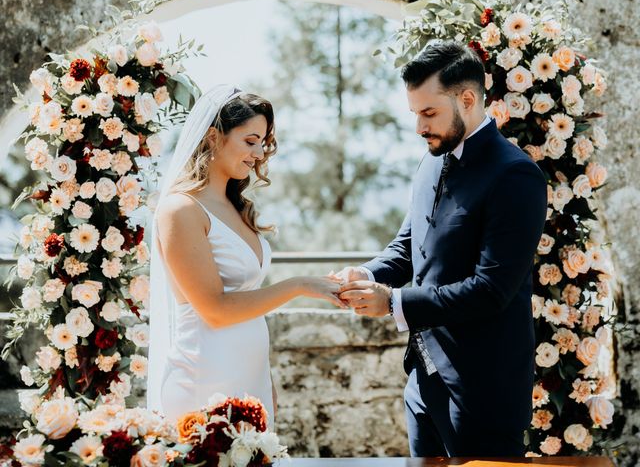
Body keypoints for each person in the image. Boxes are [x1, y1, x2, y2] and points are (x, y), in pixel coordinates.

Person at [336, 42, 547, 456]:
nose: (419, 127)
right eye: (414, 113)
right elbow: (408, 248)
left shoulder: (516, 175)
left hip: (484, 392)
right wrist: (367, 274)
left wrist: (394, 302)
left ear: (467, 99)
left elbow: (491, 289)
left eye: (428, 113)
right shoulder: (431, 161)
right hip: (421, 381)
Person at [147, 85, 345, 425]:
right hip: (203, 379)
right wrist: (299, 284)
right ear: (212, 137)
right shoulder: (180, 210)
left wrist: (264, 384)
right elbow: (215, 310)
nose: (258, 153)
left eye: (262, 142)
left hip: (248, 384)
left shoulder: (235, 208)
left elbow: (249, 308)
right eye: (250, 140)